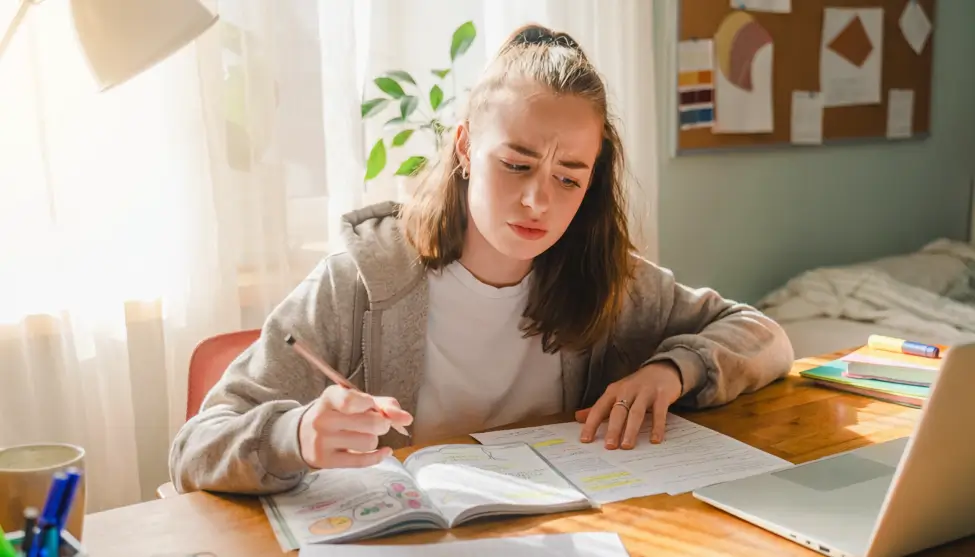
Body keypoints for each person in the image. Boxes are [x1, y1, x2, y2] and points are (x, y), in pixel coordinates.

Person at [168, 24, 794, 495]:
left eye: (570, 177)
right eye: (516, 164)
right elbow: (193, 449)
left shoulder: (603, 277)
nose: (538, 200)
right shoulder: (359, 281)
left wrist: (673, 371)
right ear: (466, 146)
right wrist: (297, 435)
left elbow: (765, 337)